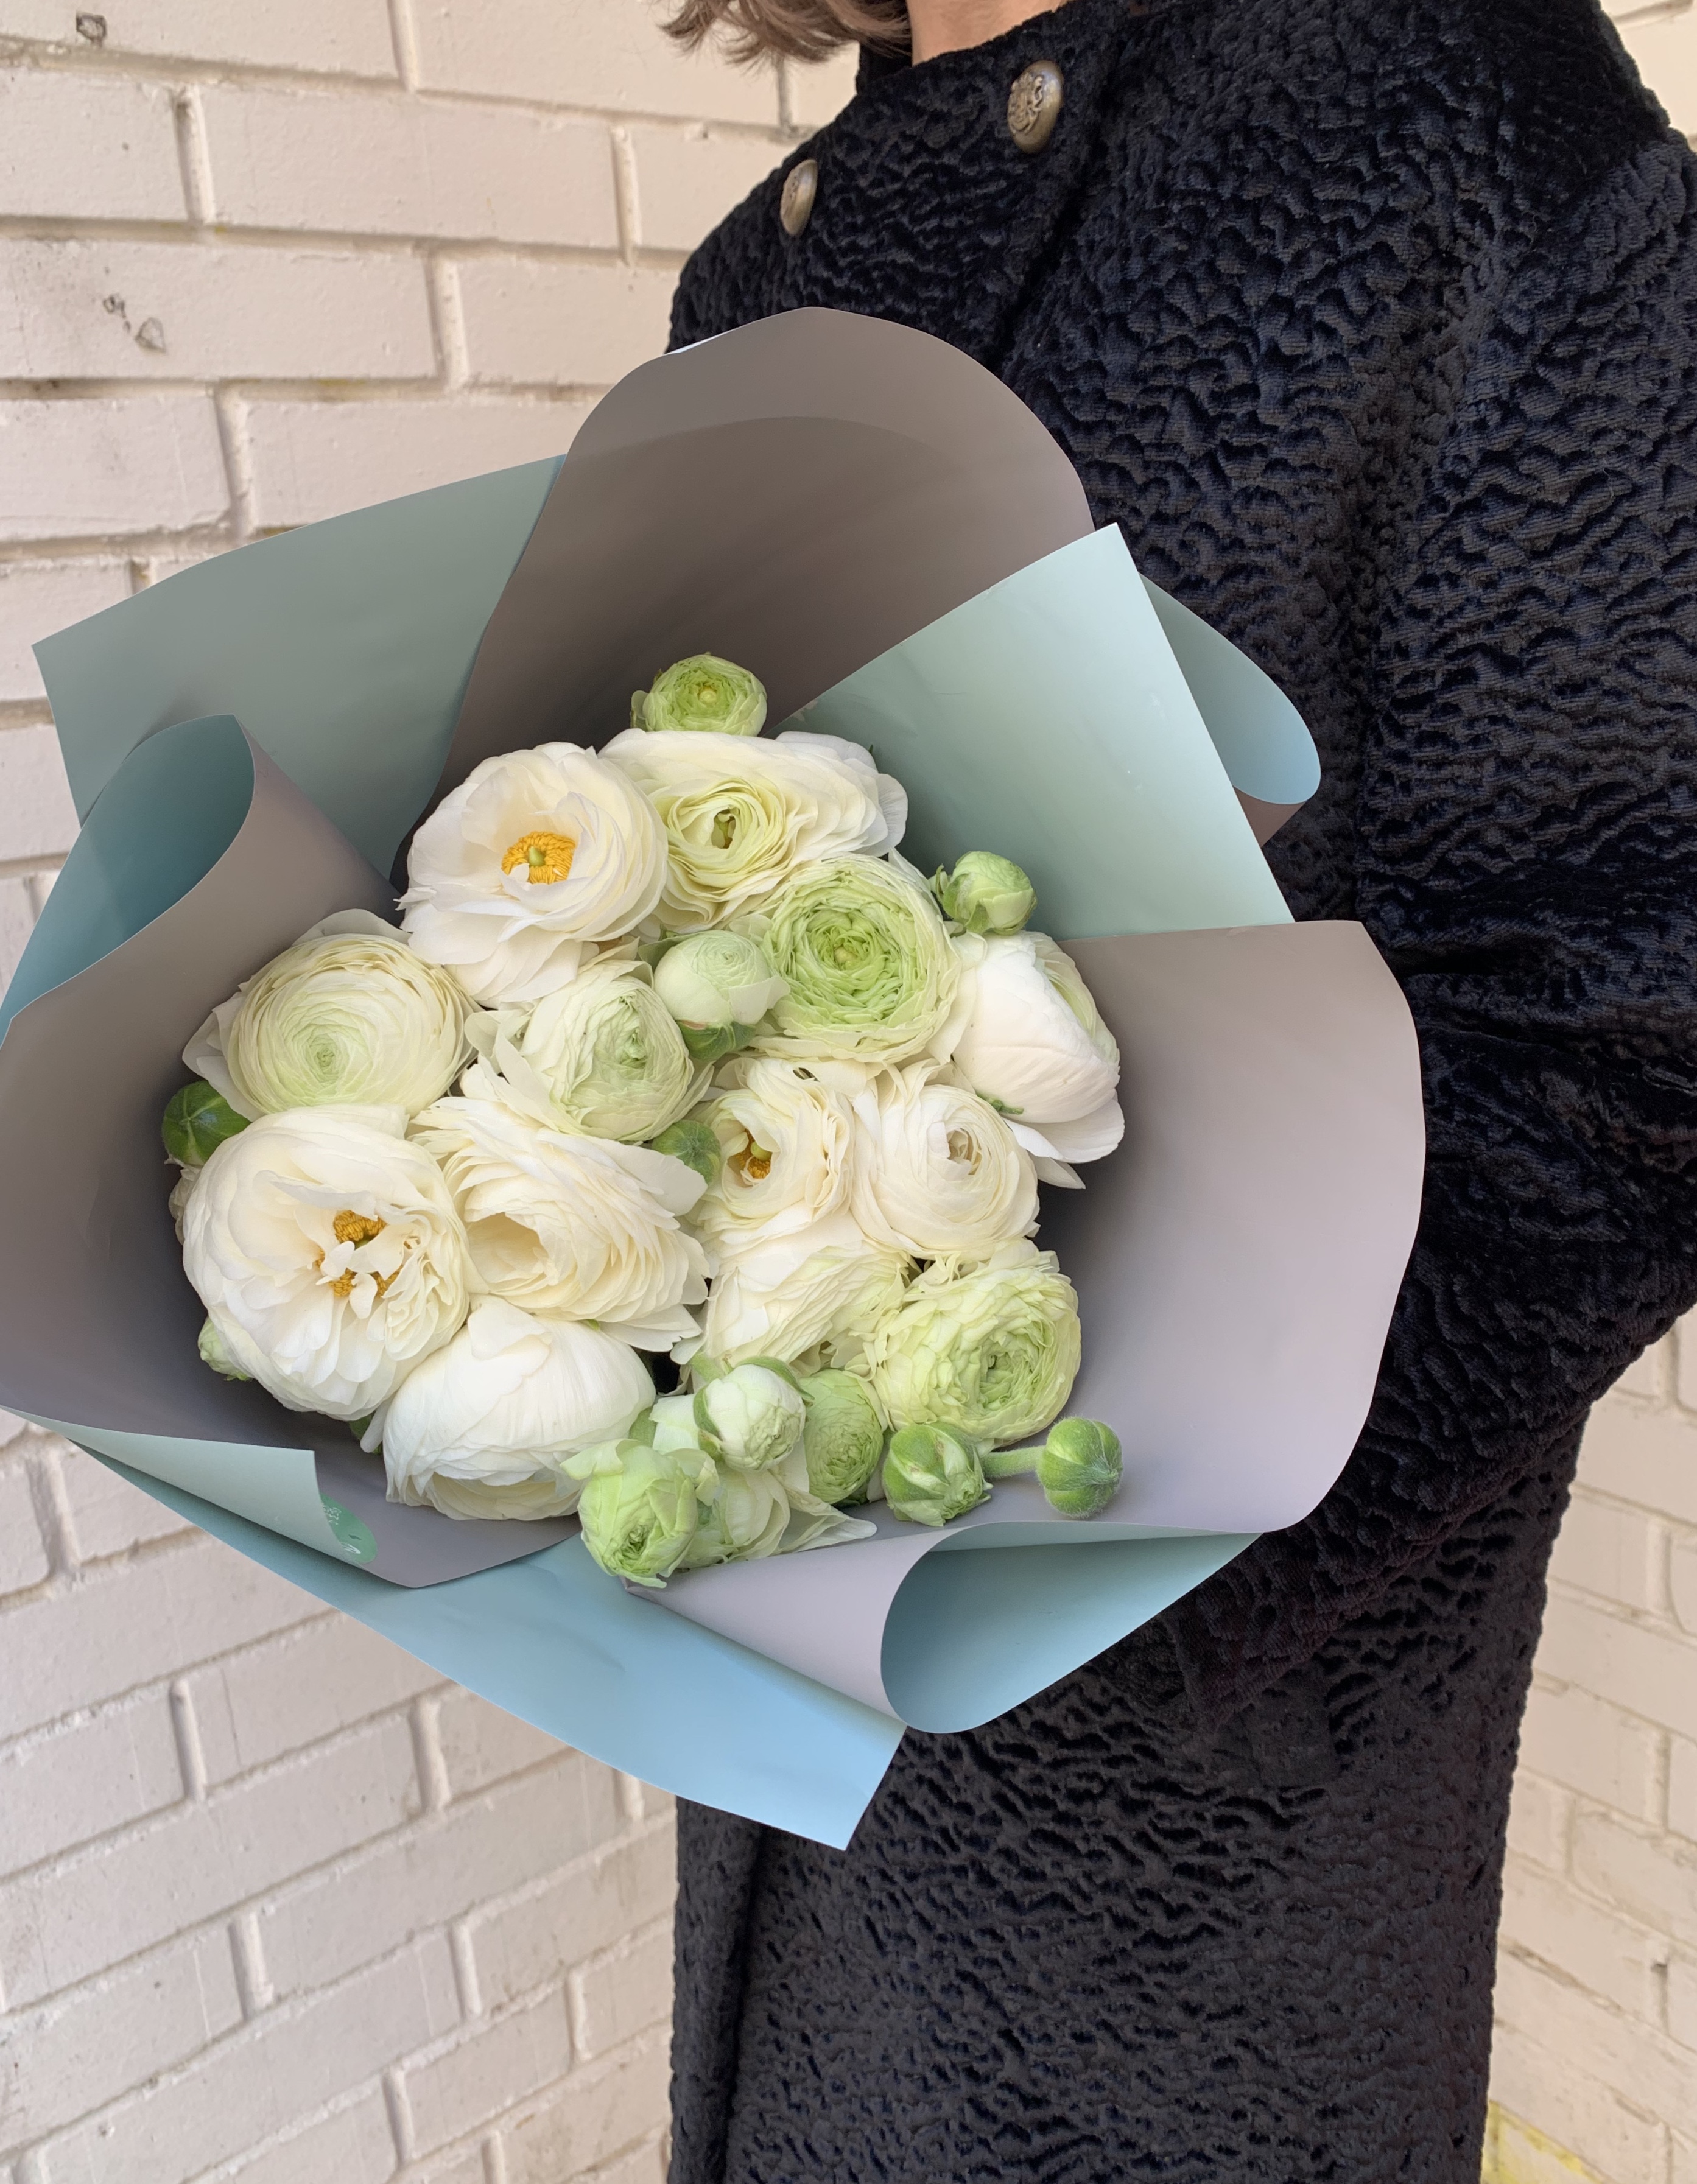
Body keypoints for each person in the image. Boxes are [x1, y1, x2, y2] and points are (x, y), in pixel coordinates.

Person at [658, 0, 1697, 2175]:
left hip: (1218, 1724)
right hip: (785, 1646)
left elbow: (1636, 991)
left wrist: (1107, 1513)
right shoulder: (757, 275)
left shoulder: (1443, 105)